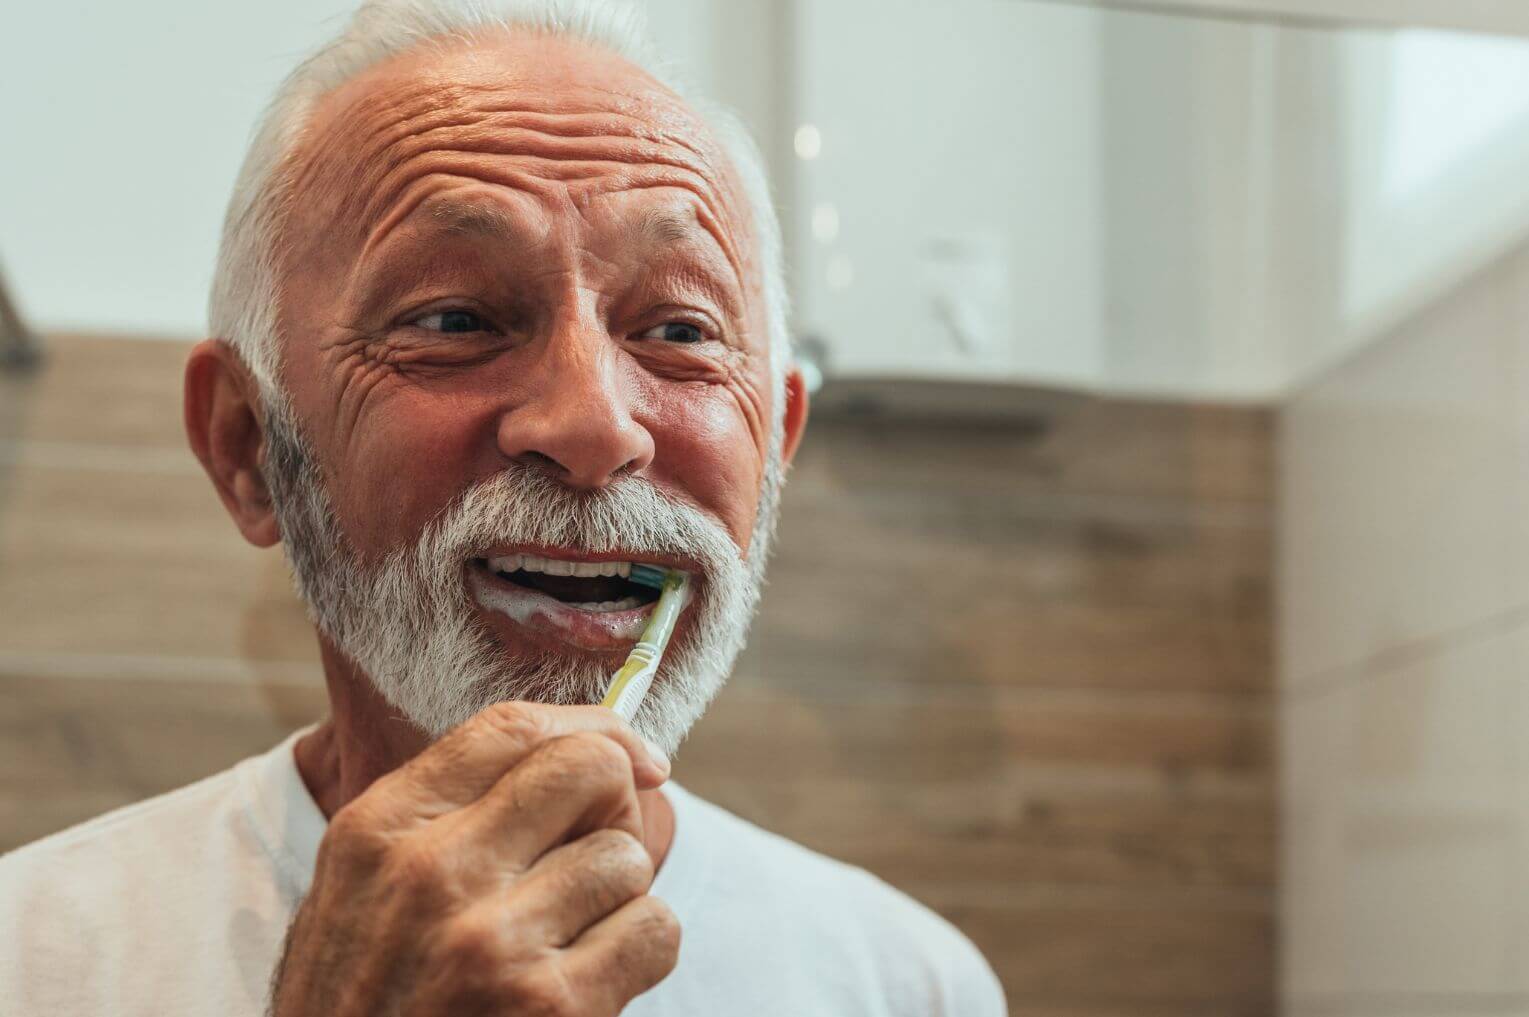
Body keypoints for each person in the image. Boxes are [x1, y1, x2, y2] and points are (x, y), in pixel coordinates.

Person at [0, 1, 1006, 1013]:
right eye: (456, 318)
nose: (595, 427)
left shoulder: (908, 985)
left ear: (774, 450)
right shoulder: (32, 955)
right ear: (247, 448)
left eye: (680, 329)